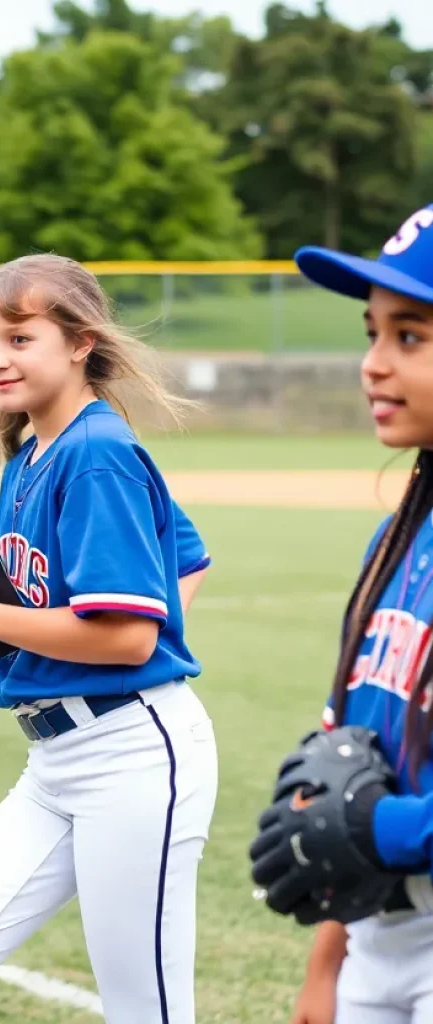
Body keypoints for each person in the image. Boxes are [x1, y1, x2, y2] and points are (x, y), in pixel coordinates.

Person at [0, 253, 219, 1024]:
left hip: (132, 757)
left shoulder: (97, 452)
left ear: (79, 343)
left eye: (18, 338)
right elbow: (186, 557)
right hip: (53, 763)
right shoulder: (34, 450)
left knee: (146, 1013)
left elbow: (132, 637)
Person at [278, 204, 433, 1024]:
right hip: (377, 932)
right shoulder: (399, 535)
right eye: (371, 334)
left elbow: (376, 815)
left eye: (410, 337)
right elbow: (354, 750)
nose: (373, 364)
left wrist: (386, 827)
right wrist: (326, 961)